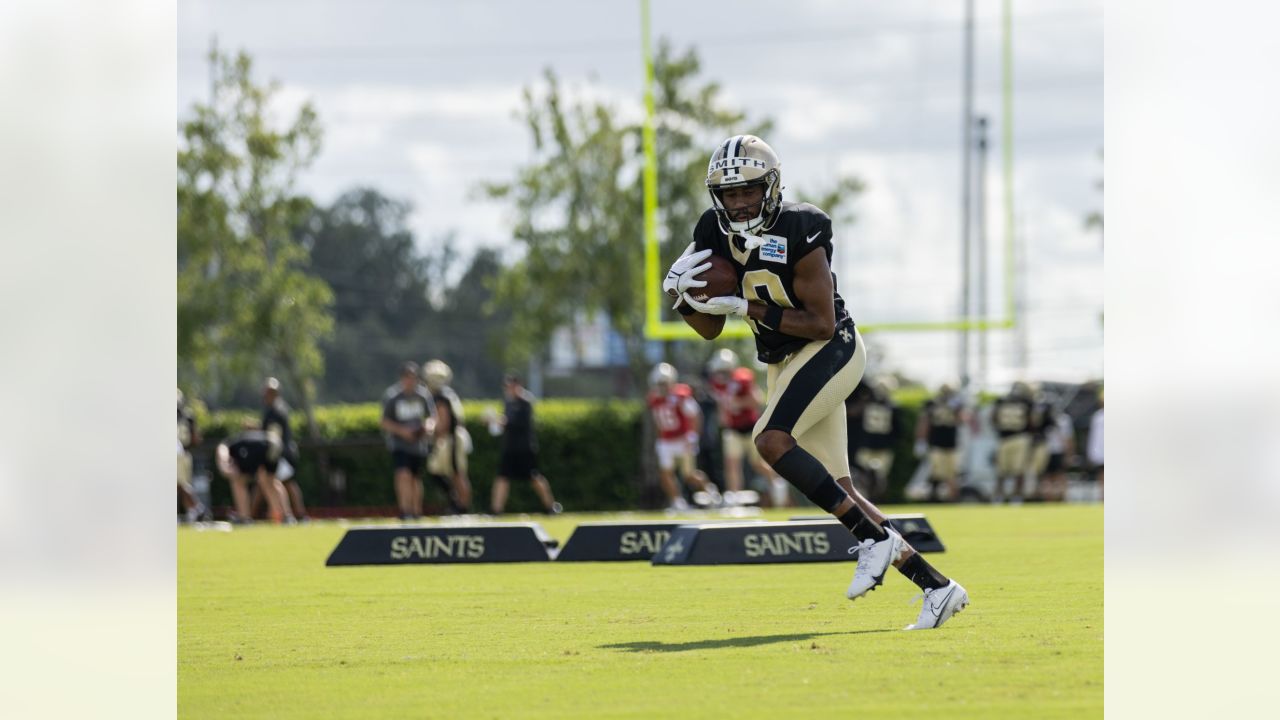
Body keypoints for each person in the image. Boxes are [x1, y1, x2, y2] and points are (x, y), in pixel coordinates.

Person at [667, 133, 967, 630]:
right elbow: (709, 328)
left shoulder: (803, 227)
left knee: (770, 441)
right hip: (781, 360)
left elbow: (821, 322)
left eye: (749, 190)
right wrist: (680, 297)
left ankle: (874, 540)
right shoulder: (711, 231)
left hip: (832, 348)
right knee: (842, 490)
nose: (739, 202)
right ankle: (937, 587)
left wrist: (747, 305)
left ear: (772, 186)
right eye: (730, 193)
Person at [707, 349, 787, 506]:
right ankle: (734, 497)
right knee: (732, 463)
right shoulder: (716, 383)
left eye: (722, 370)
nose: (719, 374)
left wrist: (738, 403)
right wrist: (722, 414)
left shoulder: (742, 378)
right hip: (732, 428)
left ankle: (775, 481)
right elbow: (721, 402)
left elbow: (756, 400)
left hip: (750, 427)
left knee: (757, 464)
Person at [648, 362, 721, 510]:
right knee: (666, 473)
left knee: (689, 474)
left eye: (664, 383)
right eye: (659, 383)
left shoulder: (681, 397)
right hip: (666, 440)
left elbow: (695, 416)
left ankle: (710, 492)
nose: (662, 387)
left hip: (682, 439)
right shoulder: (654, 399)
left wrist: (693, 436)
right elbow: (657, 421)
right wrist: (659, 438)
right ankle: (677, 502)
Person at [489, 374, 562, 515]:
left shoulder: (525, 402)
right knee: (502, 478)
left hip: (524, 448)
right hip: (509, 448)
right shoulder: (508, 403)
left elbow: (516, 423)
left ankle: (550, 506)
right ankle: (496, 509)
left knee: (534, 477)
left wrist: (499, 420)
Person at [381, 362, 435, 520]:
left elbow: (432, 417)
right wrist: (402, 431)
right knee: (403, 474)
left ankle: (416, 511)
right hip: (400, 444)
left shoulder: (422, 395)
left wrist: (427, 427)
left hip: (418, 445)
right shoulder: (393, 397)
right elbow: (384, 421)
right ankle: (405, 510)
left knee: (415, 478)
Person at [215, 418, 291, 524]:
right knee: (270, 482)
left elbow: (222, 448)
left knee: (238, 481)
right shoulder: (258, 437)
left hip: (266, 447)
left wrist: (223, 465)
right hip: (276, 444)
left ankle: (244, 517)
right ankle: (285, 516)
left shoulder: (237, 442)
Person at [422, 359, 473, 514]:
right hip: (455, 438)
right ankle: (458, 503)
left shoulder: (441, 397)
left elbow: (443, 423)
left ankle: (461, 506)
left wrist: (432, 434)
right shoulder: (448, 394)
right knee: (450, 472)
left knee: (455, 473)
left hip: (451, 440)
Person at [257, 377, 308, 521]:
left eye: (267, 393)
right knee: (277, 482)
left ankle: (292, 514)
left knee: (280, 482)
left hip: (280, 454)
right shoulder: (278, 408)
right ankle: (292, 514)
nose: (264, 395)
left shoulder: (275, 411)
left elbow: (273, 435)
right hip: (283, 452)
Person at [847, 375, 898, 501]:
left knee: (867, 476)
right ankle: (871, 499)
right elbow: (897, 431)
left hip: (868, 444)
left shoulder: (866, 406)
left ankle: (868, 499)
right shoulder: (893, 407)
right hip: (879, 446)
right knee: (875, 477)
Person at [914, 383, 965, 502]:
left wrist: (956, 408)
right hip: (936, 444)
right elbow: (924, 422)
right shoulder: (932, 404)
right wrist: (921, 441)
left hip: (951, 445)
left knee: (950, 474)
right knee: (939, 474)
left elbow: (961, 420)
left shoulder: (955, 405)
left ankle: (947, 498)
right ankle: (944, 498)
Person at [992, 380, 1035, 503]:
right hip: (1018, 437)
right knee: (1013, 470)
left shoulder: (1001, 401)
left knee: (1006, 471)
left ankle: (1003, 496)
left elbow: (993, 419)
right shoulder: (1026, 403)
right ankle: (1013, 496)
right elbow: (1031, 422)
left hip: (1007, 437)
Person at [177, 389, 207, 522]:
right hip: (185, 453)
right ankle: (193, 512)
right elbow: (195, 438)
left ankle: (197, 508)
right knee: (180, 484)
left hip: (175, 452)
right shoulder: (188, 416)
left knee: (180, 484)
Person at [1087, 388, 1104, 499]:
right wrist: (1093, 452)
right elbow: (1094, 437)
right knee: (1102, 477)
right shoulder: (1098, 416)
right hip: (1101, 453)